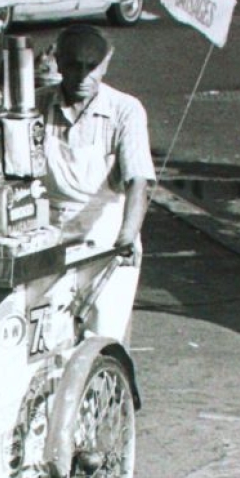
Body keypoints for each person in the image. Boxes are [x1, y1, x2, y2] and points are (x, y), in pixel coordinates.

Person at [35, 23, 155, 344]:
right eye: (74, 66)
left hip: (106, 232)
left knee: (105, 333)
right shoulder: (37, 106)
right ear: (58, 62)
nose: (84, 76)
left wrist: (127, 236)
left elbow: (138, 181)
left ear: (106, 62)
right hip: (50, 231)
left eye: (92, 67)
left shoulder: (125, 110)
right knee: (48, 334)